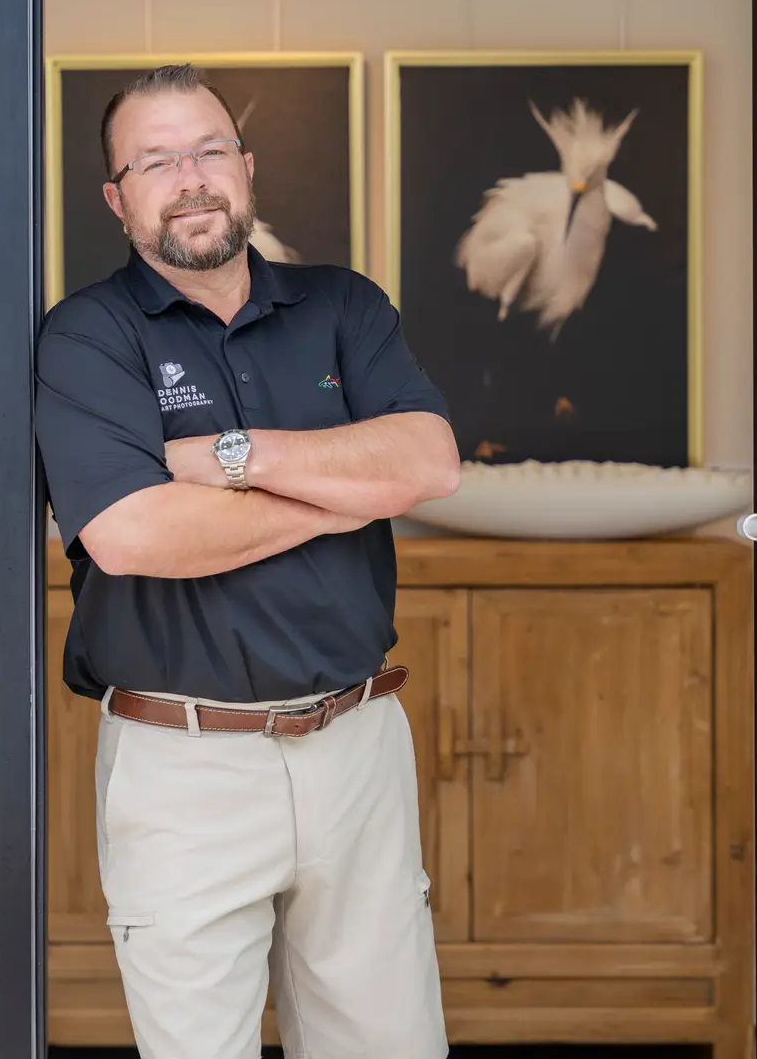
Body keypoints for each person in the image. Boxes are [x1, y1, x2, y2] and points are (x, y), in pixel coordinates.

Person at [34, 63, 461, 1059]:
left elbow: (429, 461)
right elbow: (132, 533)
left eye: (209, 149)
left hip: (356, 744)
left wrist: (236, 460)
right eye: (155, 160)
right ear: (117, 195)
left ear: (247, 167)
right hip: (183, 765)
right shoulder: (88, 336)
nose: (189, 177)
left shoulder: (343, 306)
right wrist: (340, 490)